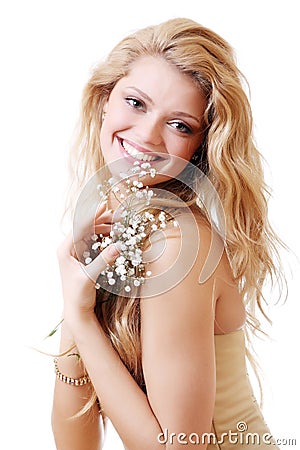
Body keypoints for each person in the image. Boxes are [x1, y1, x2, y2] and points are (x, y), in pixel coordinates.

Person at [52, 18, 284, 449]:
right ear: (106, 99)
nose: (146, 134)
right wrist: (78, 302)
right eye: (136, 103)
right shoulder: (120, 222)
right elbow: (74, 440)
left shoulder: (177, 242)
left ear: (199, 145)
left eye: (179, 125)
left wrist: (81, 318)